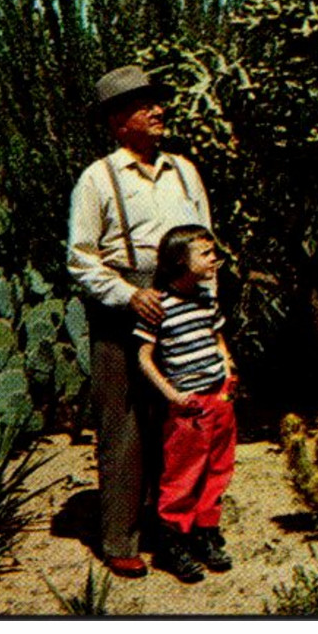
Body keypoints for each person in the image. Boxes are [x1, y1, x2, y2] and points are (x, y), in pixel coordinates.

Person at [68, 65, 213, 579]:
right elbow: (82, 258)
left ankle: (179, 528)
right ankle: (120, 537)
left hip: (182, 301)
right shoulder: (98, 179)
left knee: (181, 422)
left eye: (157, 101)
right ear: (115, 120)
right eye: (142, 104)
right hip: (120, 305)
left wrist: (206, 311)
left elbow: (204, 242)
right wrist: (130, 296)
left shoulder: (183, 170)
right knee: (123, 423)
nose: (158, 110)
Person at [136, 225, 238, 583]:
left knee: (217, 470)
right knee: (182, 476)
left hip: (218, 397)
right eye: (206, 253)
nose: (214, 259)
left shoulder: (207, 298)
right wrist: (172, 395)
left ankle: (205, 533)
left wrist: (226, 368)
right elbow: (145, 357)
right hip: (188, 406)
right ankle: (173, 543)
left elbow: (217, 334)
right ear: (181, 260)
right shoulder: (160, 306)